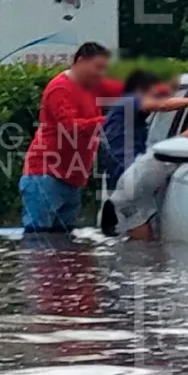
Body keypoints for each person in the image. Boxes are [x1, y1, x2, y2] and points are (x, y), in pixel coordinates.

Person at [20, 42, 122, 233]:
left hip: (72, 177)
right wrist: (108, 121)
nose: (101, 73)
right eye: (98, 67)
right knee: (39, 241)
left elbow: (127, 92)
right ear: (81, 61)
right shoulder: (60, 89)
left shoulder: (92, 86)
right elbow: (70, 126)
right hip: (46, 173)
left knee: (64, 242)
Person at [102, 70, 188, 190]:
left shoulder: (128, 114)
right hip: (130, 174)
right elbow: (162, 105)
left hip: (121, 177)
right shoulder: (131, 101)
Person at [110, 127, 188, 242]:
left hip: (131, 185)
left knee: (141, 246)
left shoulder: (181, 144)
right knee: (141, 249)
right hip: (130, 193)